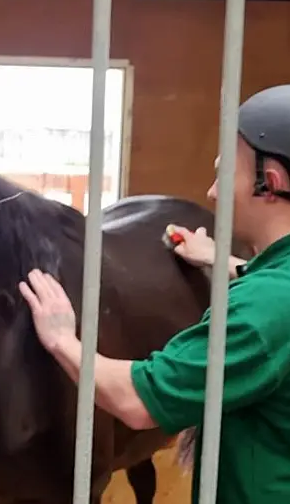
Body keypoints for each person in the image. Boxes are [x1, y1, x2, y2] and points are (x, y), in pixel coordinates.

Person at [18, 84, 290, 504]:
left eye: (226, 173)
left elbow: (135, 401)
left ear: (269, 184)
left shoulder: (263, 311)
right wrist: (223, 260)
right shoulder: (275, 286)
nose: (213, 193)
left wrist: (63, 341)